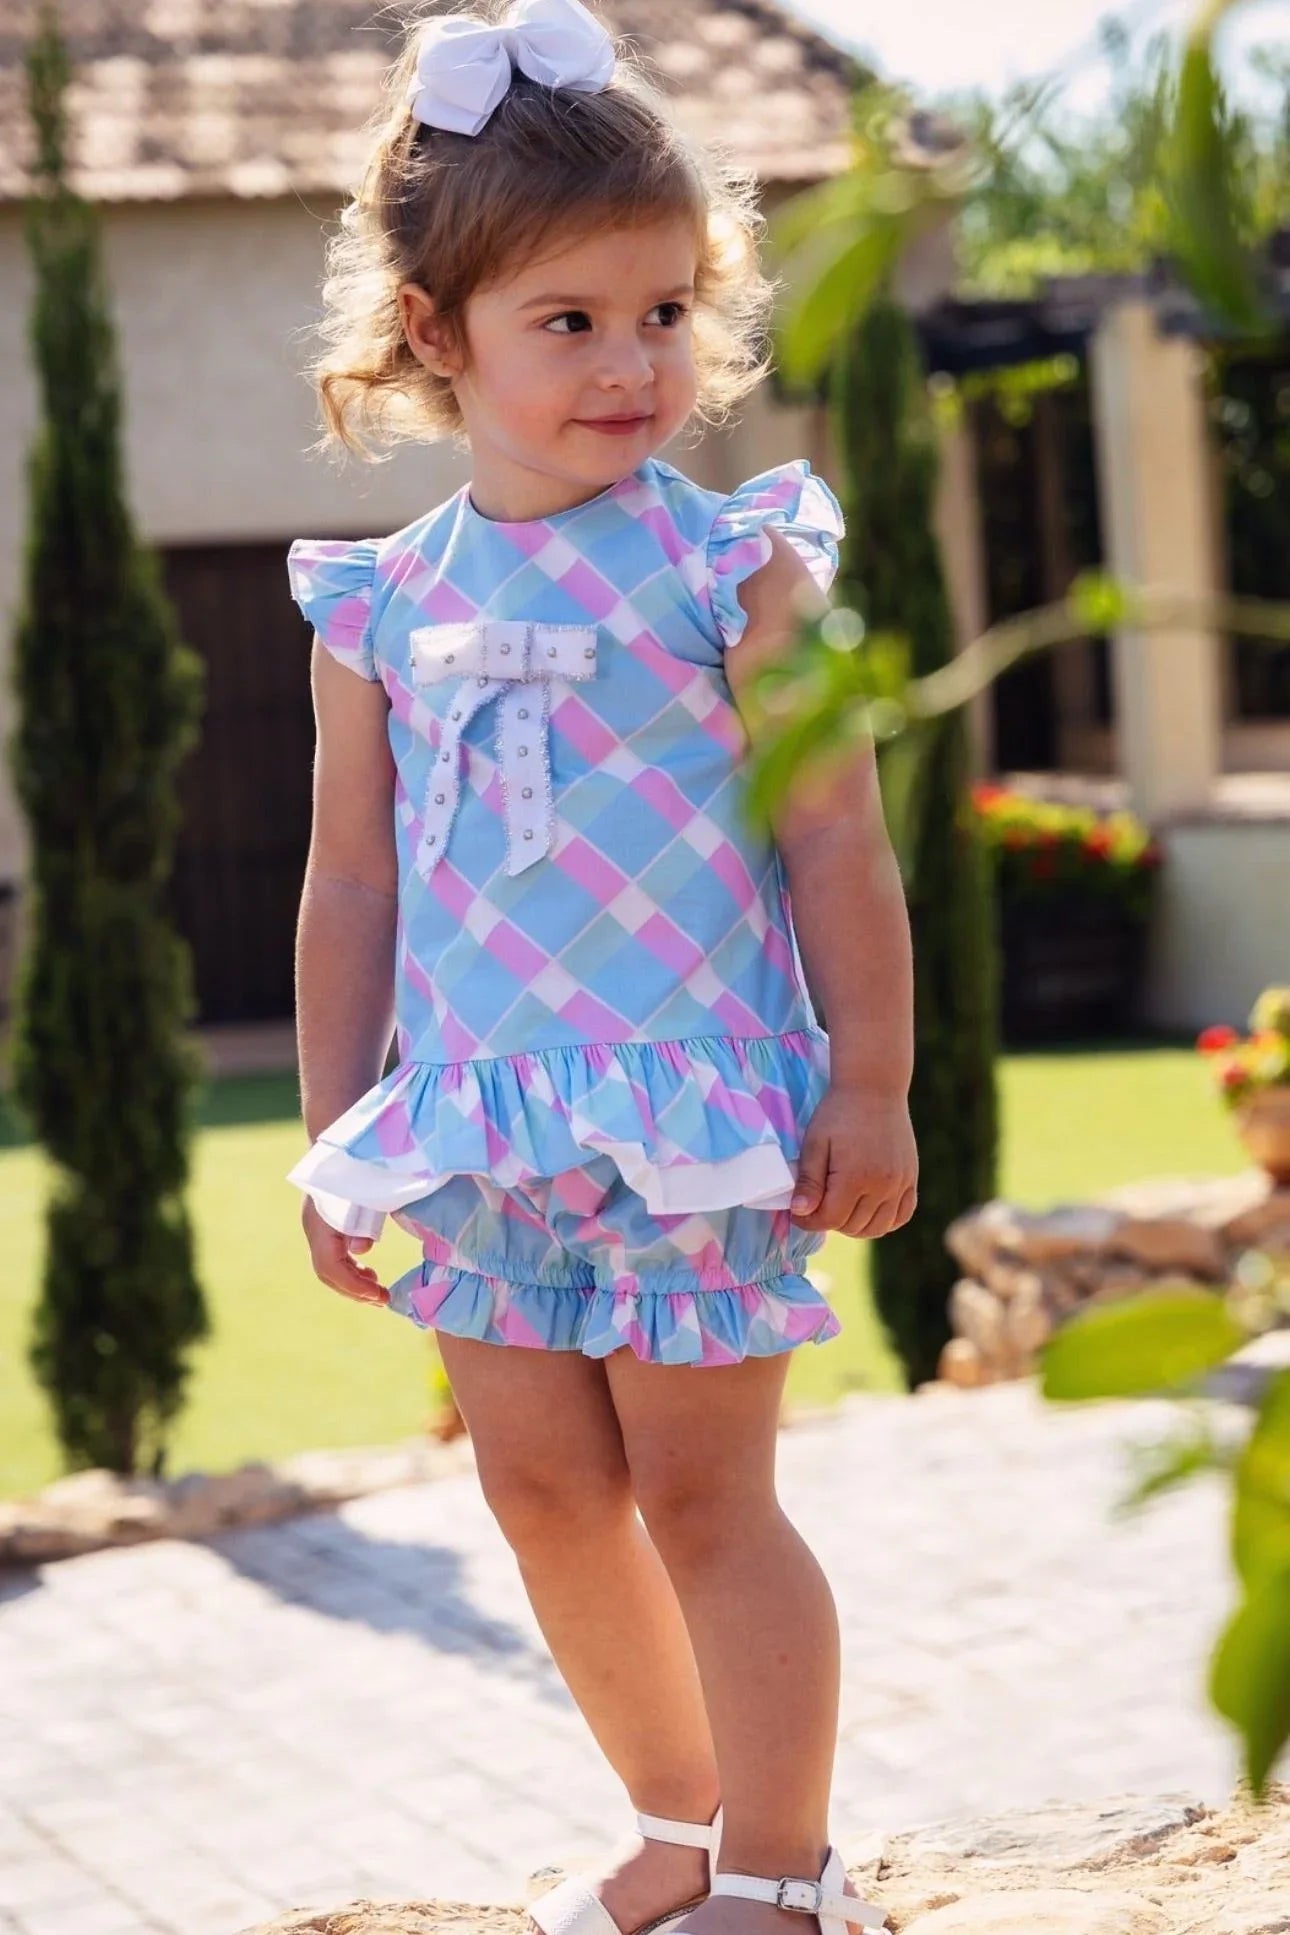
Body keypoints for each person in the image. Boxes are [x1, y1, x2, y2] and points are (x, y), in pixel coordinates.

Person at [285, 2, 917, 1930]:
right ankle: (676, 1817)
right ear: (432, 333)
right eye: (571, 320)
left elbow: (831, 830)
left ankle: (782, 1876)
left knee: (703, 1498)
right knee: (543, 1492)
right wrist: (337, 1135)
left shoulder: (731, 569)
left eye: (662, 312)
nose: (631, 361)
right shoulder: (378, 607)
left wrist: (871, 1081)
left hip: (694, 1118)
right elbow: (348, 886)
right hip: (477, 1131)